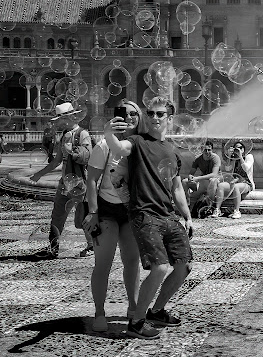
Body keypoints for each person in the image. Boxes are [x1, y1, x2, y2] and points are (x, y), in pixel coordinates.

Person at [104, 96, 193, 340]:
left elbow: (176, 188)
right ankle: (136, 321)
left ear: (169, 118)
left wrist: (187, 215)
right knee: (160, 267)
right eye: (151, 113)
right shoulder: (137, 142)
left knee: (184, 266)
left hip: (169, 215)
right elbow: (119, 148)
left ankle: (157, 311)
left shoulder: (172, 153)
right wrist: (108, 132)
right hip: (145, 213)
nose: (155, 117)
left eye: (160, 114)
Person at [83, 100, 144, 332]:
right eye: (123, 113)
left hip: (130, 211)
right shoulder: (103, 145)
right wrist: (93, 212)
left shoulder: (141, 145)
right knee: (103, 264)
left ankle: (133, 307)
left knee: (132, 262)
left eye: (133, 114)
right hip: (106, 210)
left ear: (140, 118)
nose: (128, 118)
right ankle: (99, 311)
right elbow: (91, 180)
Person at [30, 102, 93, 259]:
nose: (57, 122)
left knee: (83, 215)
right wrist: (39, 174)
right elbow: (56, 161)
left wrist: (74, 152)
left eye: (59, 118)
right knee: (57, 214)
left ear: (69, 117)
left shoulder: (82, 134)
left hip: (79, 182)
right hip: (65, 183)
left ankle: (92, 246)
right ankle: (53, 247)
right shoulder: (64, 135)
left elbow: (88, 156)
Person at [209, 140, 254, 219]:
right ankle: (217, 210)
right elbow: (227, 168)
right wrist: (229, 157)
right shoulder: (234, 158)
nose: (238, 150)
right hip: (234, 181)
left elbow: (246, 168)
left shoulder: (248, 156)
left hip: (246, 183)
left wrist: (240, 157)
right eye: (236, 148)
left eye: (240, 148)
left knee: (236, 187)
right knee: (221, 186)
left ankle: (237, 211)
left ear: (244, 149)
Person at [182, 140, 220, 215]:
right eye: (205, 150)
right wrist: (190, 177)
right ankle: (187, 203)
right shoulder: (197, 159)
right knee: (184, 181)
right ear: (202, 150)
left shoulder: (215, 158)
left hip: (217, 179)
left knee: (212, 180)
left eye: (209, 150)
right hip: (203, 181)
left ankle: (210, 206)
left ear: (212, 150)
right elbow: (191, 173)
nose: (207, 151)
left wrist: (197, 178)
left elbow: (214, 174)